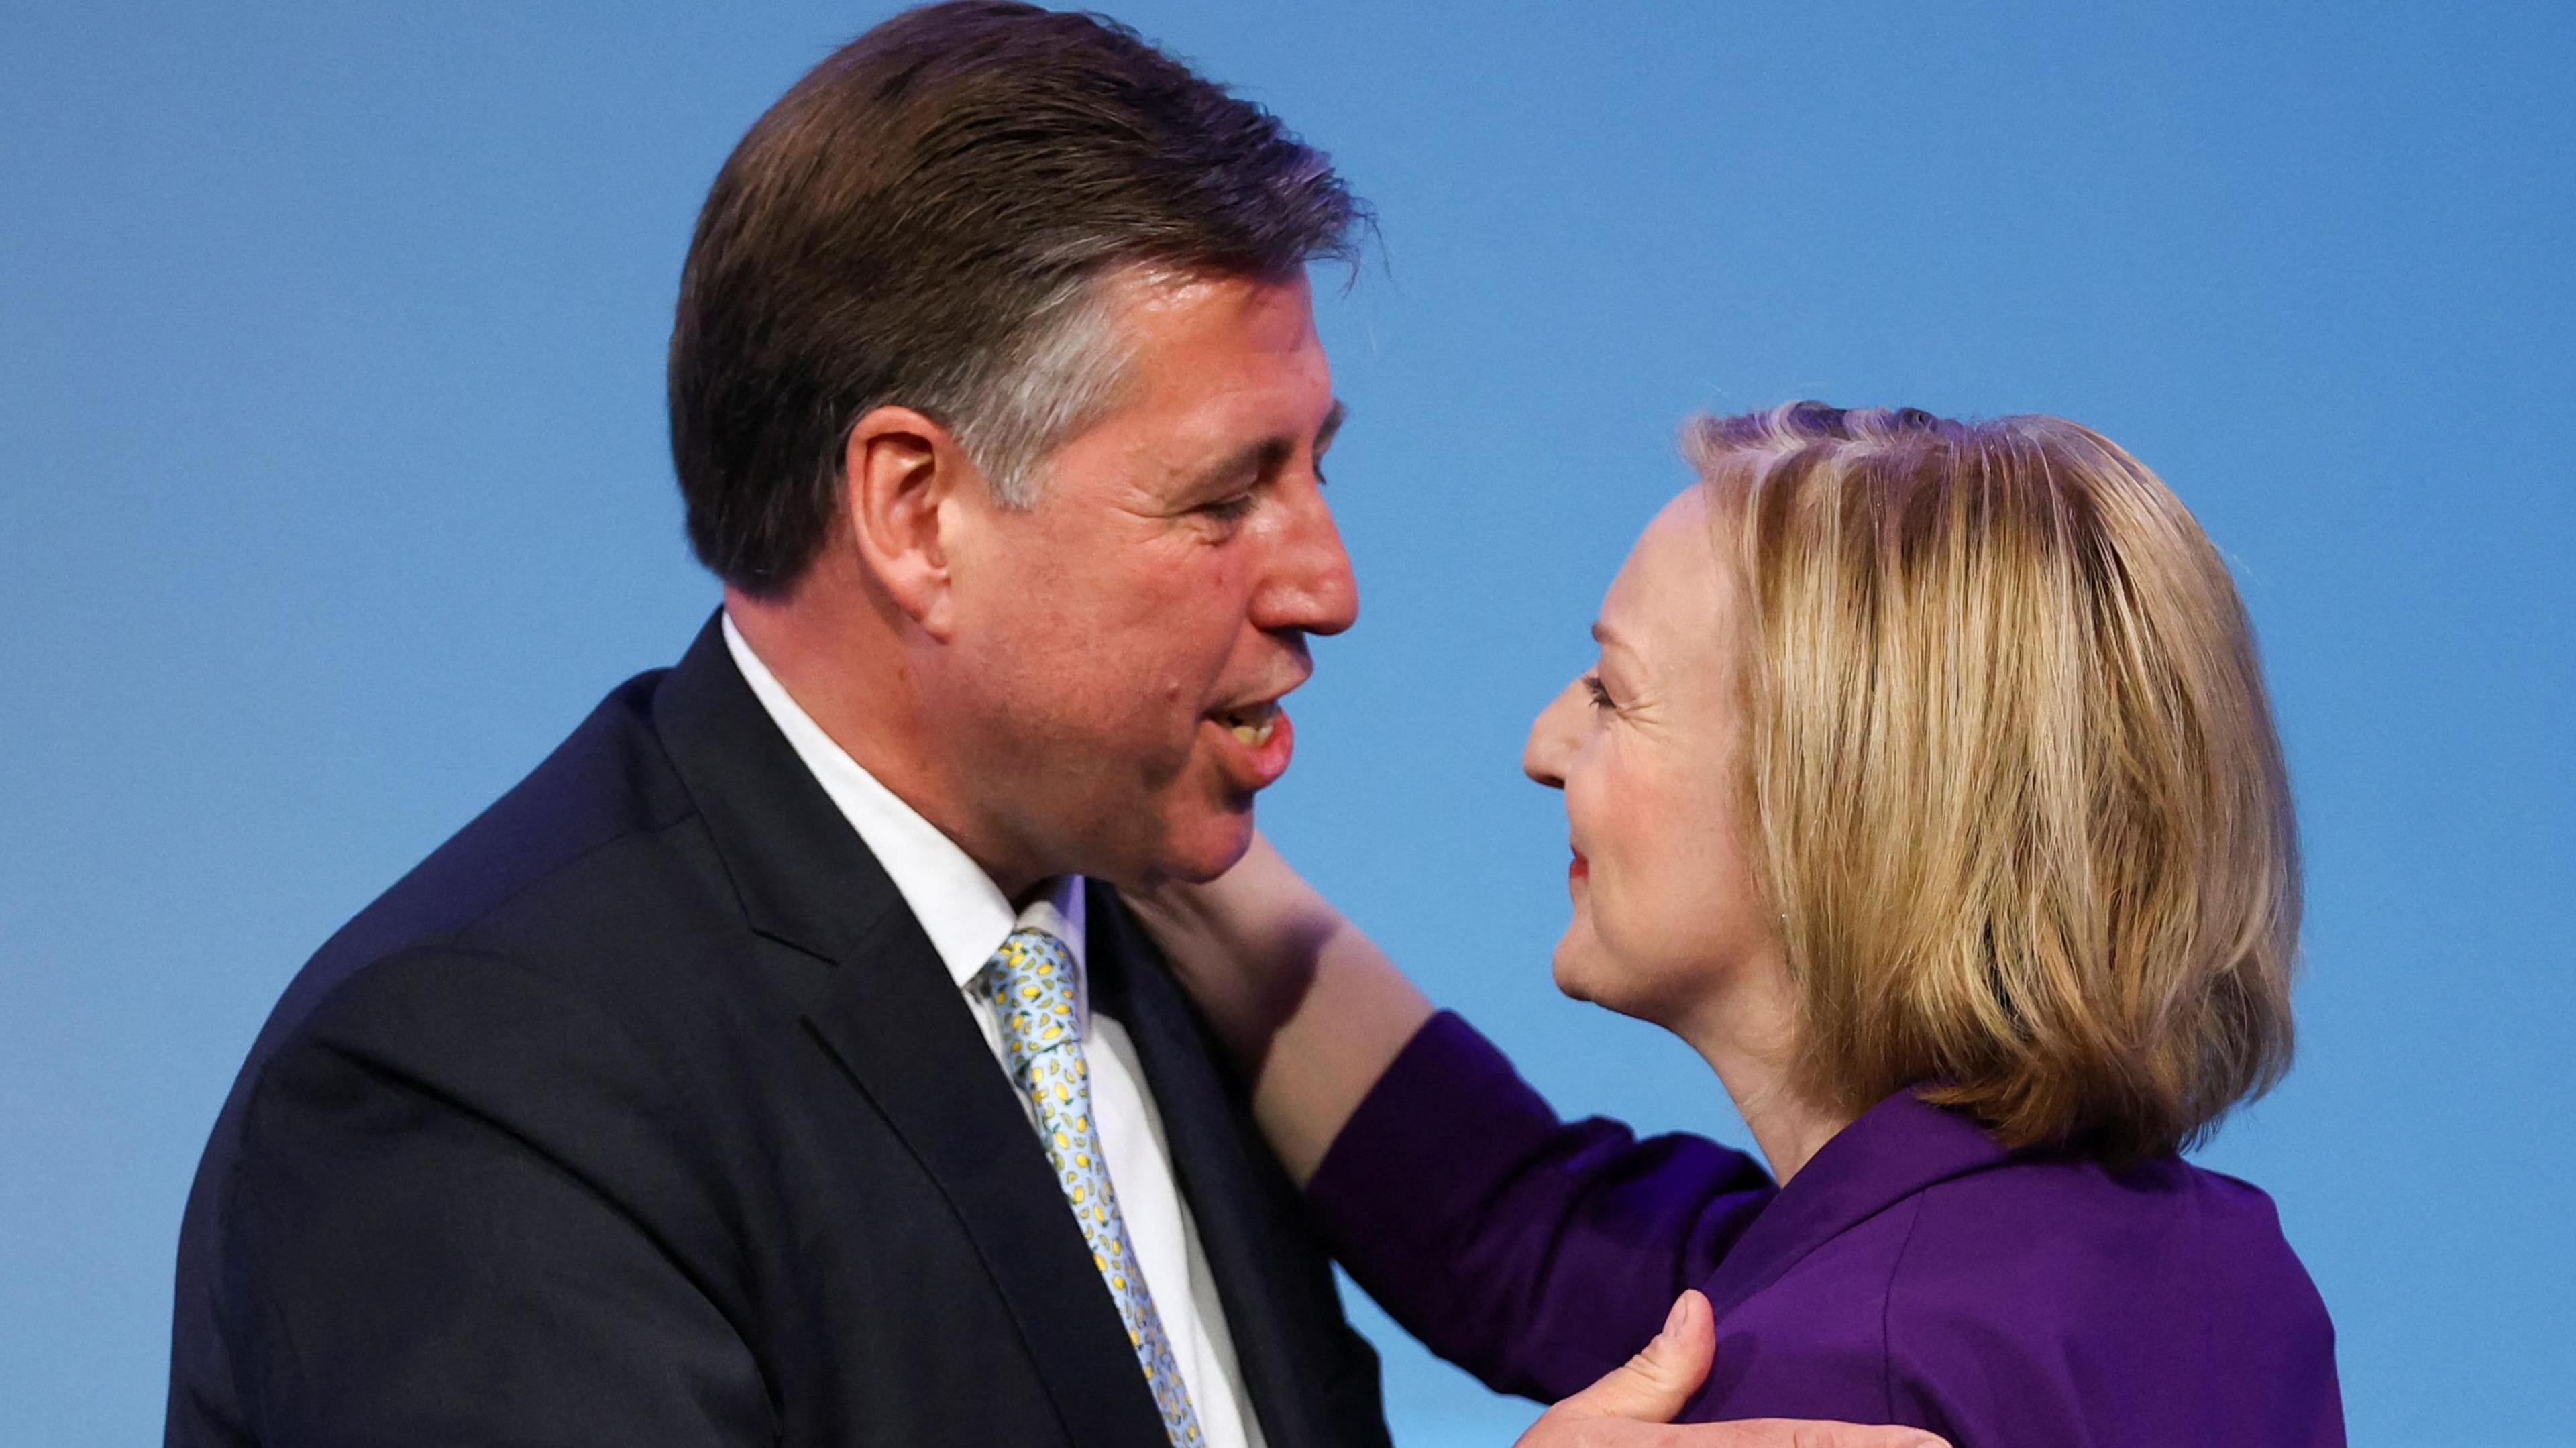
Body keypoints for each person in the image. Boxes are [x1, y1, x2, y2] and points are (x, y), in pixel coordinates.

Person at [162, 5, 1944, 1446]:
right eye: (1223, 497)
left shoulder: (1156, 962)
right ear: (917, 510)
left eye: (1318, 469)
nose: (1329, 585)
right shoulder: (484, 1084)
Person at [1137, 403, 2347, 1445]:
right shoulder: (2211, 1273)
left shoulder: (1834, 1384)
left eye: (1613, 692)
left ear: (1831, 805)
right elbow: (1520, 1229)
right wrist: (1123, 792)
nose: (1545, 747)